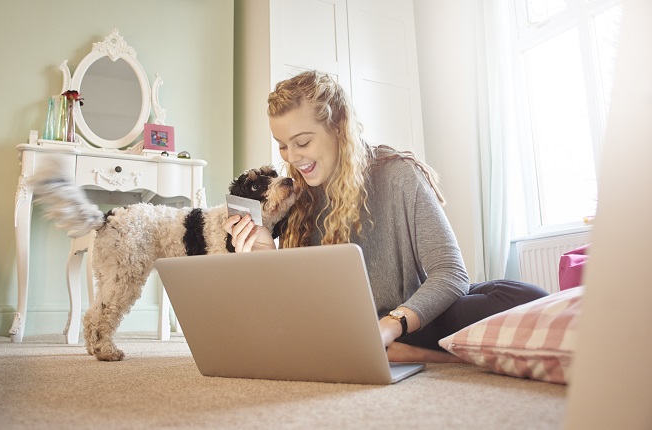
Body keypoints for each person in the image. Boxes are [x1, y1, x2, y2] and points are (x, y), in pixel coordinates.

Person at [223, 70, 548, 363]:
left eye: (303, 142)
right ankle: (437, 353)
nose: (293, 157)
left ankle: (419, 352)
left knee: (526, 299)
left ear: (338, 127)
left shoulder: (397, 174)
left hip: (410, 318)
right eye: (282, 146)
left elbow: (450, 273)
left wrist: (392, 325)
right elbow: (297, 305)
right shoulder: (299, 195)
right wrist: (266, 256)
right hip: (350, 327)